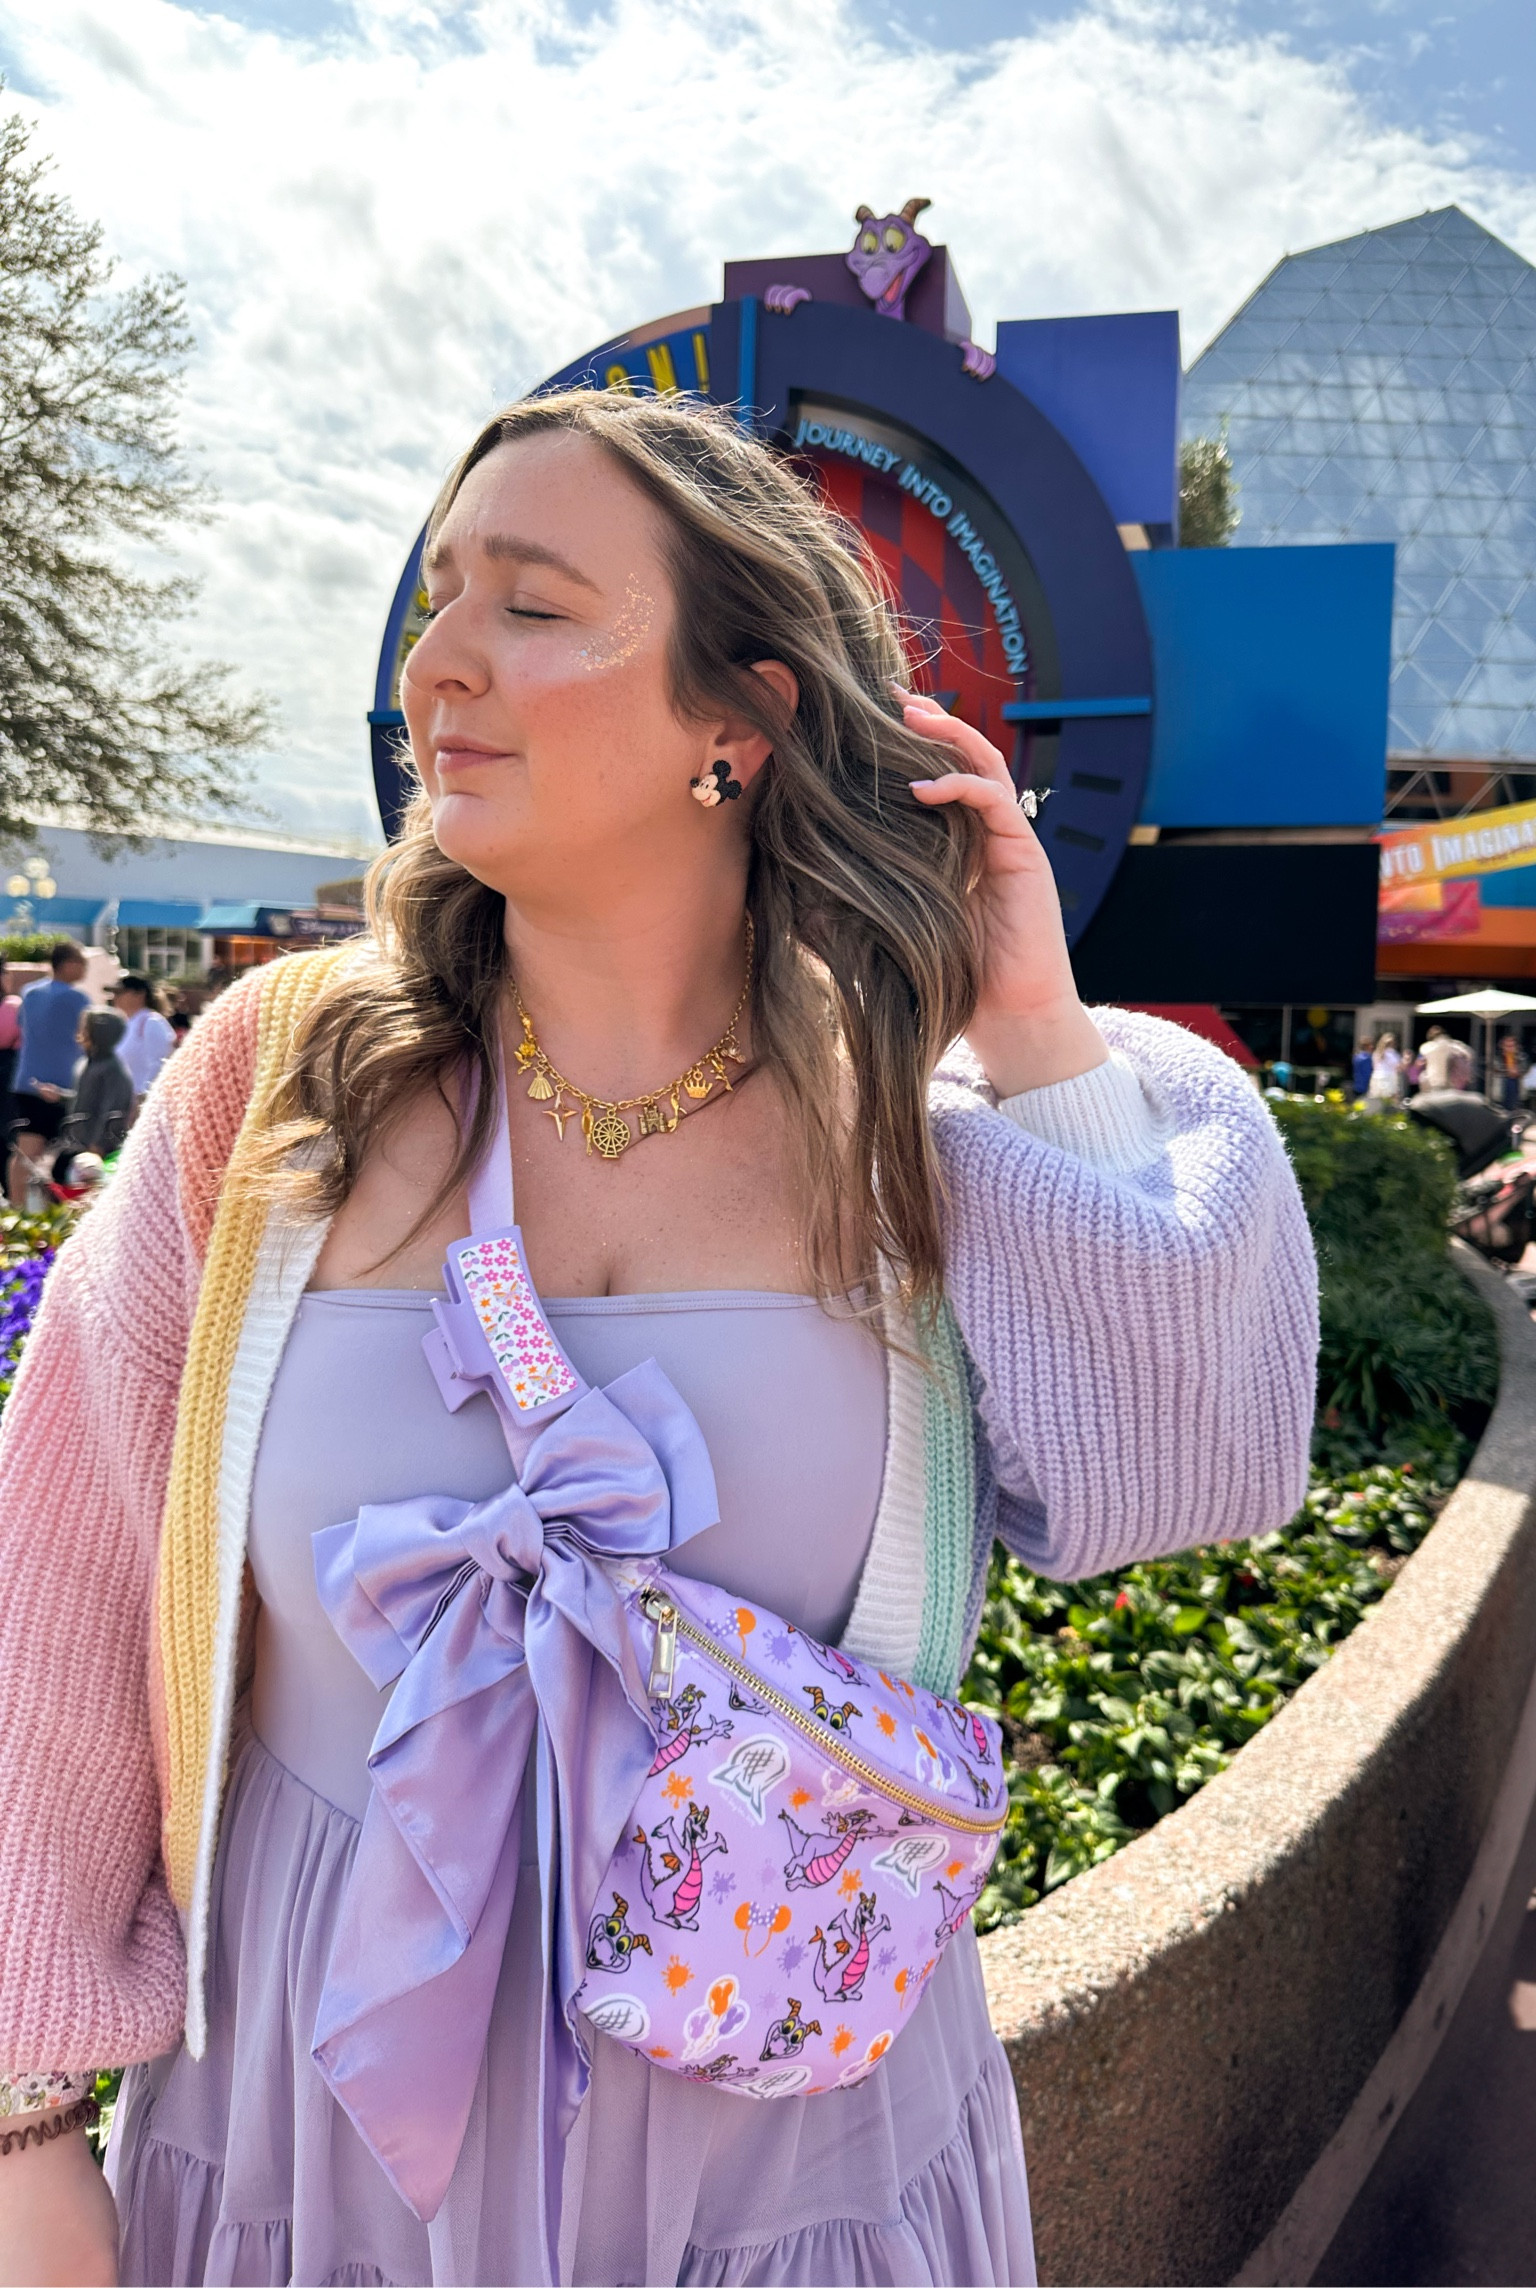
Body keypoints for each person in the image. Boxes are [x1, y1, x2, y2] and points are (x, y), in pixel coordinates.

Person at [0, 391, 1319, 2288]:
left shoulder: (914, 1117)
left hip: (791, 2149)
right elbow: (59, 1571)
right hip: (306, 2135)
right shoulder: (278, 1079)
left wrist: (1033, 1017)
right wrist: (27, 2111)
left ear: (743, 718)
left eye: (532, 607)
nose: (438, 662)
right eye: (441, 596)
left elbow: (1183, 1472)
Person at [7, 943, 90, 1208]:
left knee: (25, 1149)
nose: (85, 968)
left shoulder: (29, 993)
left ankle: (17, 1209)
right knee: (67, 1153)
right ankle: (61, 1212)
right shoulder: (78, 999)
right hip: (62, 1083)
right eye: (81, 962)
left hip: (26, 1079)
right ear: (67, 964)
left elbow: (23, 1026)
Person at [50, 1011, 134, 1187]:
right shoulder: (87, 1064)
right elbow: (87, 1099)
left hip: (96, 1147)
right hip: (78, 1143)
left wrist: (99, 1144)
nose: (80, 1034)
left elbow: (114, 1107)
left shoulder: (111, 1068)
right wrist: (61, 1096)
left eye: (85, 1029)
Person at [109, 975, 176, 1102]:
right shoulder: (126, 1023)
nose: (114, 997)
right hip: (125, 1100)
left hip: (143, 1102)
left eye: (120, 992)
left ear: (139, 994)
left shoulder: (151, 1022)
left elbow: (160, 1062)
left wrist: (145, 1095)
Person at [1418, 1025, 1462, 1093]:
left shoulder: (1426, 1048)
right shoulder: (1454, 1045)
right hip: (1447, 1083)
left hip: (1434, 1082)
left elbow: (1419, 1062)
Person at [1368, 1030, 1404, 1106]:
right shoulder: (1392, 1053)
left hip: (1376, 1077)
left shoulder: (1376, 1053)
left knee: (1376, 1100)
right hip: (1388, 1078)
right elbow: (1399, 1067)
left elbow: (1374, 1066)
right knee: (1390, 1101)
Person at [1496, 1031, 1527, 1113]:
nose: (1509, 1048)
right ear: (1502, 1046)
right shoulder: (1498, 1057)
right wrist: (1508, 1071)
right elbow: (1496, 1068)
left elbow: (1524, 1068)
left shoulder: (1522, 1057)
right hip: (1503, 1084)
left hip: (1517, 1083)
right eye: (1507, 1046)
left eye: (1512, 1046)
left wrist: (1517, 1072)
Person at [1351, 1035, 1373, 1100]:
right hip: (1364, 1087)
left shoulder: (1356, 1057)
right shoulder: (1367, 1058)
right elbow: (1368, 1073)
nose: (1372, 1047)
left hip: (1356, 1085)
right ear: (1366, 1046)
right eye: (1370, 1045)